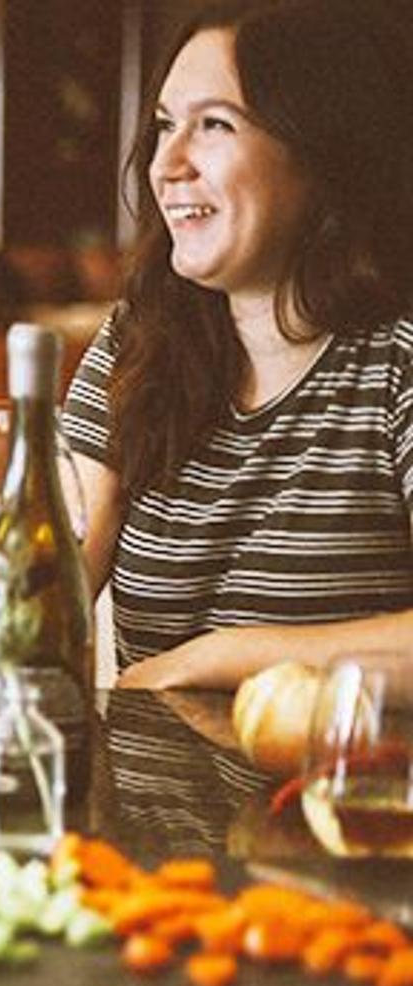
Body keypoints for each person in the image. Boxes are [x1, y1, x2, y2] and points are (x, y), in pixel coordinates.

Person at [61, 0, 413, 690]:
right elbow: (58, 574)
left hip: (346, 796)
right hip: (157, 798)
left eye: (214, 125)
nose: (168, 163)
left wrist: (214, 659)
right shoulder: (142, 334)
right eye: (165, 125)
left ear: (322, 153)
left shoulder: (398, 361)